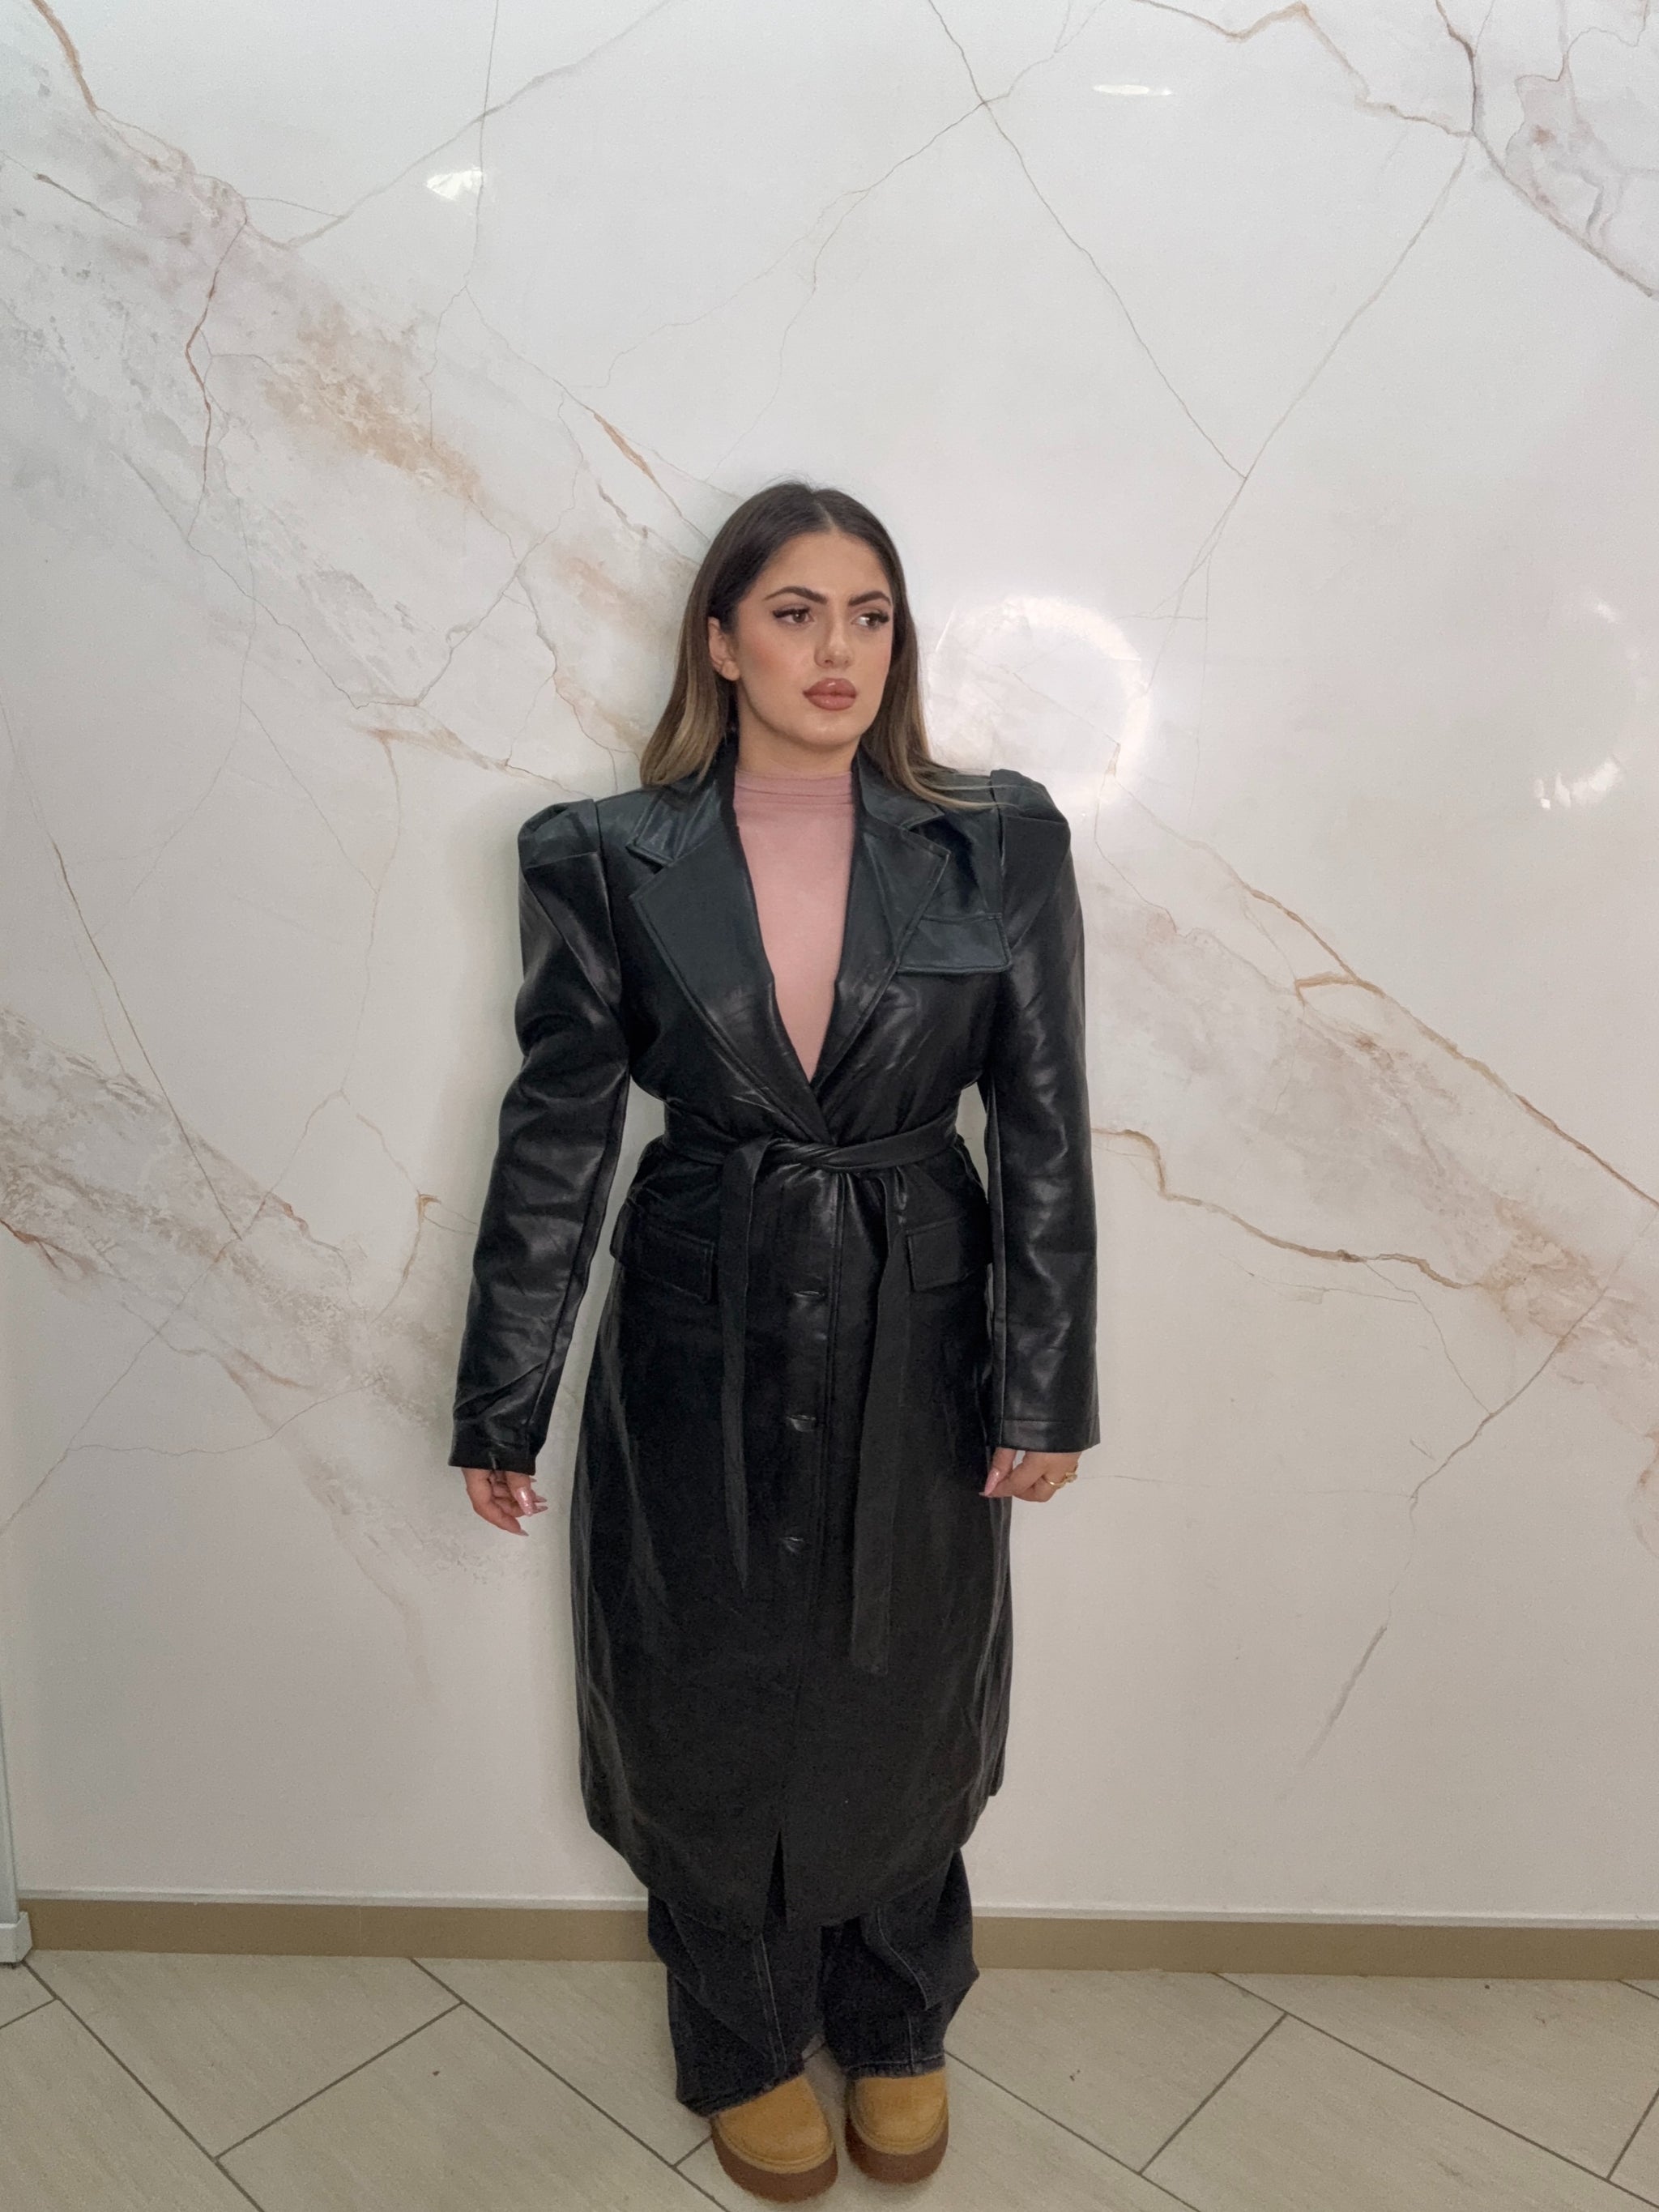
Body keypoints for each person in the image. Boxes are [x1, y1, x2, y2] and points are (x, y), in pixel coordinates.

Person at [450, 480, 1097, 2200]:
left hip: (921, 1315)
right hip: (697, 1310)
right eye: (796, 612)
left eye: (869, 614)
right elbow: (557, 1139)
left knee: (905, 1674)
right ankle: (739, 2036)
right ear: (722, 640)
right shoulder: (604, 854)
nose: (838, 650)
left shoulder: (996, 841)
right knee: (704, 1686)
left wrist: (1044, 1382)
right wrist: (503, 1398)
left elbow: (1043, 1123)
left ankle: (897, 2017)